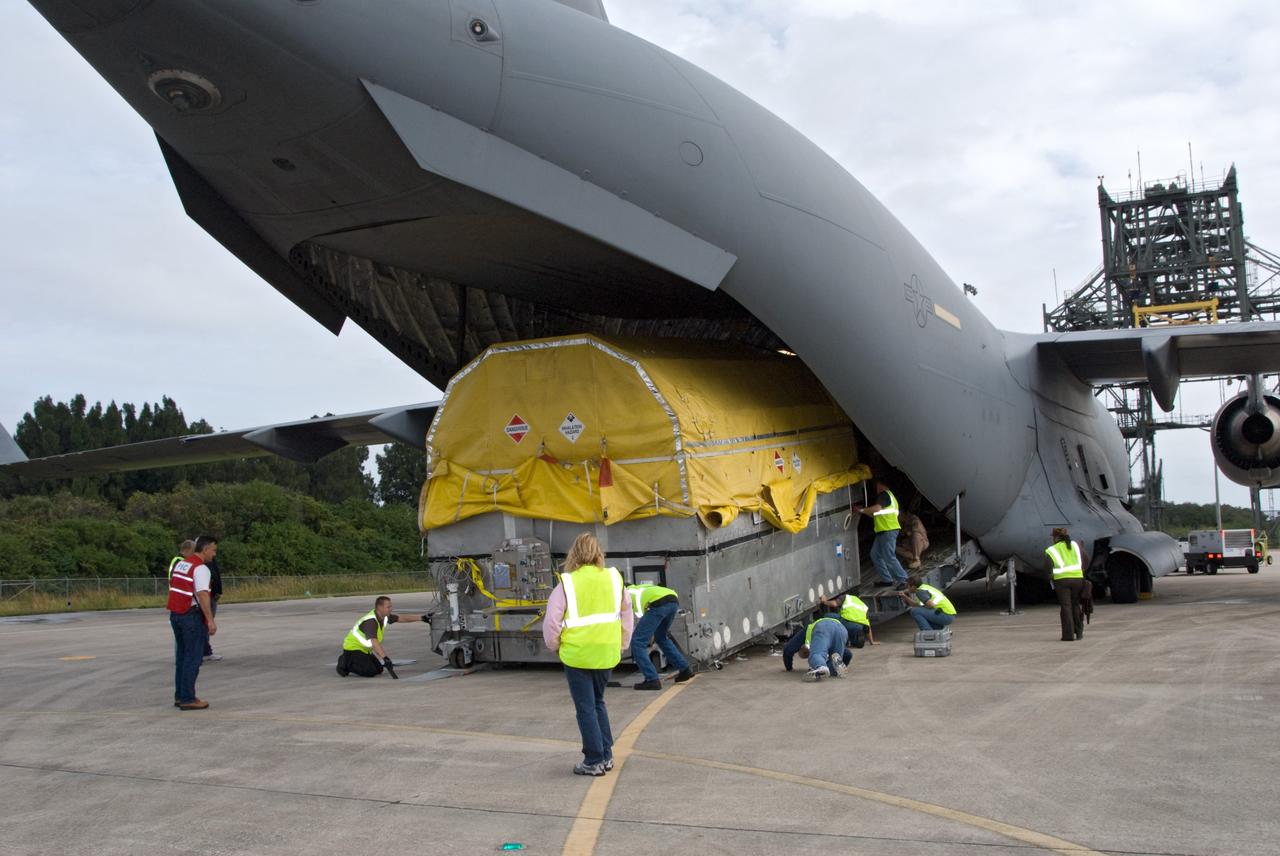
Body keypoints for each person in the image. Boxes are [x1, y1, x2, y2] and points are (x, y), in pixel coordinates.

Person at [542, 533, 633, 776]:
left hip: (578, 654)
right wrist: (622, 643)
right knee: (598, 702)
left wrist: (554, 645)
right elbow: (627, 614)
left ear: (574, 554)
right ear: (598, 553)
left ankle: (593, 760)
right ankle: (606, 755)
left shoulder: (567, 583)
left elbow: (552, 621)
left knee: (585, 707)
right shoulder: (615, 578)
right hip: (606, 652)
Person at [167, 535, 218, 710]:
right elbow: (203, 594)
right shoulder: (201, 568)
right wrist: (210, 620)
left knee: (182, 657)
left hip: (176, 614)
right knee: (193, 658)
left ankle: (180, 696)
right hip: (191, 617)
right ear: (205, 549)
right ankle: (188, 698)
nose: (214, 554)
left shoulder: (182, 563)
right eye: (213, 549)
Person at [336, 596, 428, 677]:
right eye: (388, 607)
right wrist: (385, 658)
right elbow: (374, 642)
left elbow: (402, 618)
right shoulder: (371, 621)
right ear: (379, 607)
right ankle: (344, 663)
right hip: (353, 649)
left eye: (390, 606)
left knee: (379, 669)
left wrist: (422, 618)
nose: (391, 609)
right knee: (369, 671)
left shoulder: (384, 617)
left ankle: (352, 661)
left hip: (364, 650)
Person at [627, 582, 695, 690]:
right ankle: (685, 669)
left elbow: (630, 619)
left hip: (657, 605)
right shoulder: (640, 588)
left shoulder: (626, 594)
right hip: (672, 601)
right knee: (661, 637)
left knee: (638, 642)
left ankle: (652, 679)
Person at [854, 477, 910, 590]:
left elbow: (877, 509)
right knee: (875, 554)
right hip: (883, 531)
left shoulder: (884, 495)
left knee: (889, 556)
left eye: (876, 486)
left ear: (881, 485)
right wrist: (863, 511)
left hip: (888, 531)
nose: (876, 489)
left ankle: (904, 580)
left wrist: (862, 510)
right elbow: (876, 514)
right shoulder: (890, 497)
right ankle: (887, 580)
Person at [1046, 527, 1088, 642]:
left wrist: (1051, 577)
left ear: (1056, 538)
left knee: (1066, 607)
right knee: (1075, 605)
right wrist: (1081, 571)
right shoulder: (1075, 545)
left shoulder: (1052, 550)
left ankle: (1068, 635)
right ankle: (1079, 633)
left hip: (1062, 581)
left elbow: (1048, 567)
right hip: (1078, 579)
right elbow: (1086, 559)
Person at [797, 614, 849, 681]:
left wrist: (788, 668)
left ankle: (821, 666)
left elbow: (788, 649)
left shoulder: (808, 630)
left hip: (823, 628)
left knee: (816, 655)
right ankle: (834, 668)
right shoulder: (813, 627)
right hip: (842, 629)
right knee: (833, 659)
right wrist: (845, 661)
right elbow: (848, 654)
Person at [203, 555, 224, 661]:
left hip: (213, 596)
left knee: (205, 626)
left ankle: (205, 651)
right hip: (206, 596)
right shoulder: (201, 562)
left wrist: (218, 591)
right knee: (204, 625)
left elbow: (216, 575)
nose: (214, 553)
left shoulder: (211, 560)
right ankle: (202, 652)